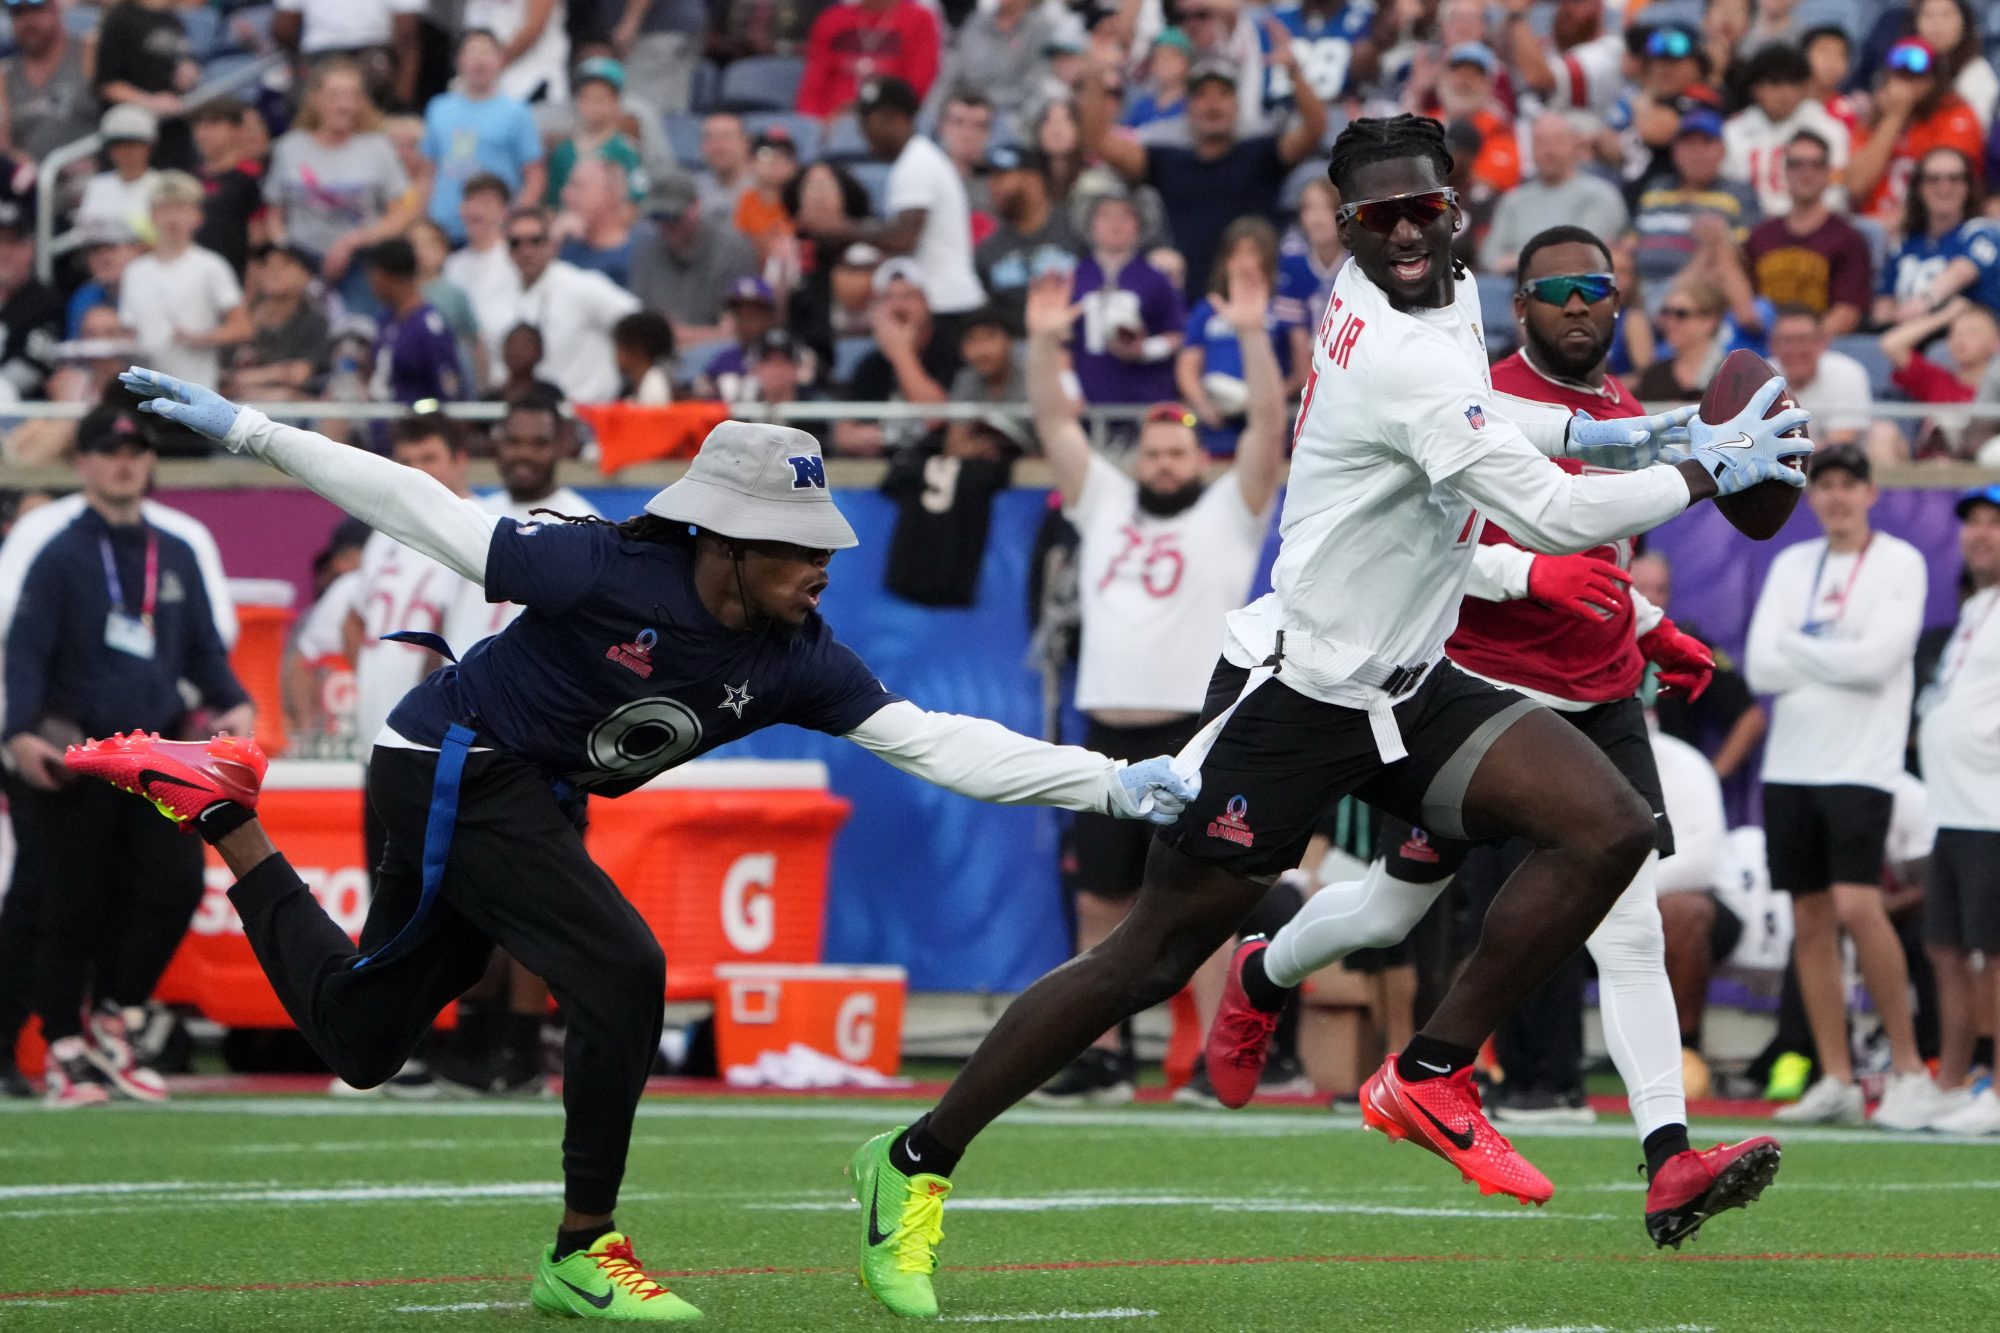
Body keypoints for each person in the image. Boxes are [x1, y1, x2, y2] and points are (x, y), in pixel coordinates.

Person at [847, 115, 1814, 1318]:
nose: (1403, 233)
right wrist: (1703, 467)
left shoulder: (1441, 300)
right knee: (1144, 958)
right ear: (1343, 226)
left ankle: (1430, 1073)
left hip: (1409, 680)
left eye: (1421, 210)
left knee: (1608, 824)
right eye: (1377, 218)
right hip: (1298, 695)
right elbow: (1549, 514)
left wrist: (1657, 428)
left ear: (1454, 210)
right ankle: (912, 1160)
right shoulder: (1397, 343)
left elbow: (1511, 424)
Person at [82, 362, 1197, 1318]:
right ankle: (583, 1248)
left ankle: (220, 810)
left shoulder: (797, 652)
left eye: (822, 545)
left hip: (530, 790)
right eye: (794, 546)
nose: (821, 567)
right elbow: (421, 507)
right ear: (719, 539)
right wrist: (248, 429)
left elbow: (933, 742)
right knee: (625, 968)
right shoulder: (601, 567)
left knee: (361, 1041)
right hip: (455, 765)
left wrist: (1108, 783)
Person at [1201, 224, 1773, 1243]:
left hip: (1597, 696)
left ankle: (1668, 1157)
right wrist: (1525, 573)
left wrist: (1652, 627)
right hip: (1475, 692)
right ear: (1518, 307)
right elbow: (1435, 556)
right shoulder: (1466, 388)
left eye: (1595, 286)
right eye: (1556, 288)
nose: (1578, 304)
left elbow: (1598, 557)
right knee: (1386, 909)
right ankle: (1262, 970)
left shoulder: (1620, 411)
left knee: (1629, 920)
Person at [1024, 259, 1284, 1105]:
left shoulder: (1228, 510)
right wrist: (1041, 342)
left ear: (1199, 458)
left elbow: (1269, 430)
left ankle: (1213, 1066)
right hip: (1108, 731)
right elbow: (1055, 421)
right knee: (1100, 903)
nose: (1167, 463)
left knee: (1200, 909)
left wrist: (1249, 333)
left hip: (1193, 732)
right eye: (1156, 451)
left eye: (1180, 451)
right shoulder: (1104, 502)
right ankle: (1099, 1058)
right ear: (1139, 457)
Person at [6, 405, 252, 1108]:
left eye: (137, 450)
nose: (125, 462)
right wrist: (18, 732)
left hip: (153, 754)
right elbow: (24, 653)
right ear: (82, 461)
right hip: (77, 752)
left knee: (174, 886)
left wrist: (234, 702)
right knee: (69, 900)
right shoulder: (58, 553)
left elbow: (204, 647)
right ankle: (63, 1045)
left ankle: (115, 1012)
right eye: (111, 450)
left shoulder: (171, 551)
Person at [1745, 445, 1948, 1130]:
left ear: (1870, 494)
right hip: (1791, 766)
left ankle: (1910, 1068)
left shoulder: (1901, 562)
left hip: (1862, 766)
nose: (1834, 496)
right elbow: (1759, 669)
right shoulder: (1790, 564)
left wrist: (1801, 648)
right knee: (1810, 919)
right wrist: (1830, 653)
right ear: (1812, 496)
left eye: (1846, 485)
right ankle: (1835, 1074)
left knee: (1861, 906)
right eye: (1823, 485)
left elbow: (1879, 663)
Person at [1081, 53, 1326, 298]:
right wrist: (1094, 79)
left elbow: (1315, 130)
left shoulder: (1264, 154)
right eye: (1202, 96)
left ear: (1237, 105)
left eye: (1223, 95)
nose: (1213, 105)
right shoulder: (1166, 161)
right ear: (1187, 107)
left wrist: (1294, 73)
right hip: (1189, 302)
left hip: (1261, 299)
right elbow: (1099, 141)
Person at [1918, 485, 2000, 1135]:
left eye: (1995, 523)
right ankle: (1952, 1082)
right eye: (1973, 522)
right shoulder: (1976, 608)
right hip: (1951, 805)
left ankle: (1997, 1087)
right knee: (1946, 946)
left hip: (1992, 805)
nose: (1980, 534)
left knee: (1994, 951)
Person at [796, 78, 987, 334]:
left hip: (947, 305)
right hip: (941, 301)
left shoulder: (917, 162)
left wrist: (840, 228)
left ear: (897, 118)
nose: (864, 132)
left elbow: (903, 238)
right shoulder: (917, 158)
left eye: (870, 122)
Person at [263, 60, 416, 311]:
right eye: (335, 96)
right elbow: (275, 214)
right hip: (302, 261)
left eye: (352, 96)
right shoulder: (289, 148)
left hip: (362, 263)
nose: (344, 105)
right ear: (316, 99)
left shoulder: (377, 147)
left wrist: (354, 241)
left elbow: (401, 213)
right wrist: (285, 249)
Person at [1175, 216, 1310, 456]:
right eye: (1237, 253)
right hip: (1216, 427)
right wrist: (1203, 405)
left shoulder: (1284, 308)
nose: (1245, 263)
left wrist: (1266, 400)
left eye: (1253, 253)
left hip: (1270, 424)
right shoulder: (1208, 310)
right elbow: (1187, 367)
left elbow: (1302, 371)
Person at [118, 173, 252, 407]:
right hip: (145, 396)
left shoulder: (211, 266)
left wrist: (201, 338)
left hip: (195, 393)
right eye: (165, 209)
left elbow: (242, 327)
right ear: (152, 216)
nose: (172, 219)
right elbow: (128, 332)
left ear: (197, 217)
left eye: (181, 209)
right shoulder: (134, 271)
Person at [507, 205, 640, 404]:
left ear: (551, 243)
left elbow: (638, 322)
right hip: (527, 417)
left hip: (588, 411)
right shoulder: (498, 292)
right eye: (515, 243)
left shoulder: (581, 285)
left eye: (535, 241)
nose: (526, 251)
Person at [1744, 130, 1873, 335]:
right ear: (1784, 172)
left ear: (1828, 173)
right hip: (1763, 346)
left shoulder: (1849, 239)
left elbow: (1847, 312)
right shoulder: (1760, 236)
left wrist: (1801, 345)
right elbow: (1745, 304)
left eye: (1816, 164)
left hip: (1821, 351)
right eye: (1796, 164)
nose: (1806, 173)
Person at [423, 31, 546, 244]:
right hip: (442, 230)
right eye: (472, 53)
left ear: (501, 60)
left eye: (487, 52)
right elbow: (427, 172)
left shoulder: (517, 112)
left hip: (495, 230)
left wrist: (514, 220)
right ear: (459, 61)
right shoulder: (438, 108)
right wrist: (422, 220)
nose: (479, 60)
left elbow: (535, 175)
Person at [1067, 191, 1185, 408]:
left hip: (1146, 397)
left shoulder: (1156, 278)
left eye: (1124, 217)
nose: (1115, 224)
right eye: (1106, 217)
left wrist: (1146, 349)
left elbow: (1178, 333)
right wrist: (1069, 389)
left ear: (1138, 225)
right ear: (1091, 224)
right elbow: (1061, 344)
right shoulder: (1075, 278)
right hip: (1089, 399)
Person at [1849, 38, 1984, 222]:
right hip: (1872, 224)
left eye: (1915, 77)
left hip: (1929, 227)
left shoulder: (1956, 114)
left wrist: (1900, 223)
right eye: (1899, 76)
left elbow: (1948, 193)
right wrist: (1894, 117)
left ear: (1934, 80)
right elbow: (1856, 185)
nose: (1905, 85)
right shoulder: (1875, 117)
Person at [833, 259, 958, 456]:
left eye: (908, 296)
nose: (899, 306)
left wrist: (901, 353)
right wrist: (859, 437)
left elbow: (936, 418)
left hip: (937, 464)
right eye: (888, 298)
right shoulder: (871, 363)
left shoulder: (951, 352)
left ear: (926, 303)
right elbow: (843, 433)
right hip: (884, 469)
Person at [1631, 110, 1761, 298]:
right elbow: (1634, 240)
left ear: (1723, 150)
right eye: (1689, 143)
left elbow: (1746, 256)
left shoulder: (1738, 193)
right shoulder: (1656, 188)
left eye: (1706, 143)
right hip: (1643, 289)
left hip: (1701, 296)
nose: (1697, 152)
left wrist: (1719, 241)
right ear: (1675, 151)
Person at [1481, 114, 1629, 277]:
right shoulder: (1513, 200)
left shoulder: (1601, 195)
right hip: (1511, 283)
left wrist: (1517, 262)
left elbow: (1583, 254)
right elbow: (1490, 256)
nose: (1548, 150)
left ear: (1575, 146)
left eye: (1557, 141)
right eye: (1540, 142)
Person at [628, 173, 758, 350]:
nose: (666, 225)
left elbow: (736, 333)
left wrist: (679, 334)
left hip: (717, 359)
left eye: (673, 216)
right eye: (658, 216)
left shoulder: (732, 249)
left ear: (696, 207)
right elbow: (641, 329)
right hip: (659, 357)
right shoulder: (646, 250)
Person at [1873, 147, 2000, 324]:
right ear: (1918, 187)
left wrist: (1923, 303)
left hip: (1958, 338)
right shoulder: (1905, 243)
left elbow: (1961, 273)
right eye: (1933, 179)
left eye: (1955, 179)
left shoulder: (1981, 231)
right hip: (1904, 336)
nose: (1944, 186)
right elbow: (1884, 305)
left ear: (1969, 186)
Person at [1724, 44, 1852, 218]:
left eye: (1793, 82)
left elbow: (1834, 195)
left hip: (1810, 225)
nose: (1785, 91)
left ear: (1806, 87)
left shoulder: (1829, 128)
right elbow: (1726, 190)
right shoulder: (1734, 131)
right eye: (1775, 82)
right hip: (1747, 225)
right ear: (1755, 89)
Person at [974, 146, 1081, 332]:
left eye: (1001, 176)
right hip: (1017, 349)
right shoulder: (987, 251)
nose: (992, 185)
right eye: (991, 177)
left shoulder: (1076, 230)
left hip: (1073, 339)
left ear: (1034, 179)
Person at [923, 0, 1053, 135]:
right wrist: (931, 114)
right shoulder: (977, 22)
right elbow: (951, 74)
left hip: (1008, 114)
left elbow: (1033, 85)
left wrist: (984, 108)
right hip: (964, 108)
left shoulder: (1040, 29)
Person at [794, 0, 940, 120]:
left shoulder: (920, 19)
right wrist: (816, 125)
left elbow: (917, 87)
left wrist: (870, 113)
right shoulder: (831, 19)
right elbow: (812, 88)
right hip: (831, 125)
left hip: (890, 122)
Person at [443, 173, 522, 388]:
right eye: (470, 201)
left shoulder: (516, 259)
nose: (475, 210)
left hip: (507, 376)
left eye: (485, 202)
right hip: (465, 376)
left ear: (504, 212)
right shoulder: (451, 265)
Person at [224, 243, 331, 400]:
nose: (274, 272)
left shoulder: (314, 319)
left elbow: (299, 374)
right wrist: (277, 373)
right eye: (267, 264)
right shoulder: (243, 316)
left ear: (306, 275)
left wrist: (249, 379)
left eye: (285, 265)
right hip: (236, 405)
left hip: (289, 413)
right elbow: (223, 375)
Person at [366, 238, 464, 409]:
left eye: (374, 276)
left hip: (415, 427)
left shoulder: (429, 327)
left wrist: (417, 413)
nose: (372, 285)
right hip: (380, 421)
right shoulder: (386, 320)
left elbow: (447, 392)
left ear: (387, 277)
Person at [273, 0, 423, 111]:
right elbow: (406, 35)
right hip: (373, 57)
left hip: (321, 56)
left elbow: (284, 29)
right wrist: (401, 109)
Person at [0, 0, 97, 166]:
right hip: (32, 183)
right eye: (18, 13)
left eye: (37, 10)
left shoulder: (87, 52)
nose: (28, 21)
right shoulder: (5, 76)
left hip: (90, 176)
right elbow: (4, 145)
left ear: (56, 11)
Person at [544, 56, 643, 209]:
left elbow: (632, 202)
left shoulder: (625, 149)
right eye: (586, 97)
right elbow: (551, 204)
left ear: (616, 102)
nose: (593, 106)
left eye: (601, 98)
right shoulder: (563, 151)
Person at [1766, 305, 1872, 448]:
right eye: (1787, 341)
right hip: (1772, 467)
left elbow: (1841, 441)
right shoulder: (1760, 378)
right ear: (1773, 346)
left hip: (1834, 465)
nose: (1795, 350)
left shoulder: (1848, 372)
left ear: (1822, 342)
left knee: (1884, 432)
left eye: (1803, 340)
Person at [189, 100, 265, 277]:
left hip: (234, 273)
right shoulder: (191, 178)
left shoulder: (251, 176)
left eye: (212, 126)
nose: (203, 134)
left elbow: (259, 237)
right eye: (199, 126)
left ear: (237, 130)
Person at [0, 208, 66, 400]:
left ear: (30, 249)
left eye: (13, 243)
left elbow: (32, 368)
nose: (3, 252)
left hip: (23, 414)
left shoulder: (46, 304)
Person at [1635, 277, 1729, 401]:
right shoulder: (1654, 377)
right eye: (1665, 312)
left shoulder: (1730, 374)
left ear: (1709, 321)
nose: (1670, 322)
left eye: (1681, 314)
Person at [76, 106, 163, 240]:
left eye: (133, 144)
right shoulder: (97, 186)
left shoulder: (162, 186)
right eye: (118, 145)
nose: (126, 152)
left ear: (149, 147)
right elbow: (85, 236)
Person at [556, 157, 637, 288]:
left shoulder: (638, 258)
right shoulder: (564, 247)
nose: (565, 194)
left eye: (577, 186)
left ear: (609, 195)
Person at [691, 113, 753, 221]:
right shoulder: (691, 188)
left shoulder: (768, 187)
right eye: (709, 138)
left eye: (726, 137)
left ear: (746, 143)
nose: (717, 146)